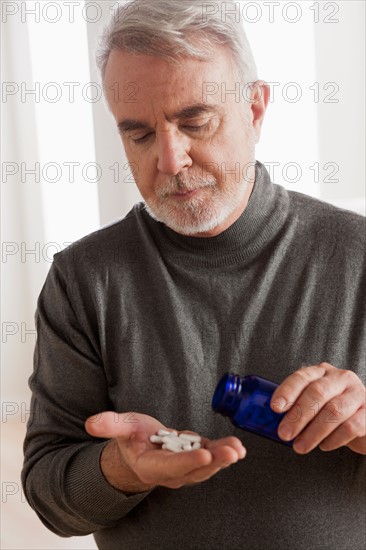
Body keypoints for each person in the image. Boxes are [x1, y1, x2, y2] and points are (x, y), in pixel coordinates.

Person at [22, 1, 366, 549]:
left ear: (255, 109)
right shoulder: (83, 280)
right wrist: (122, 469)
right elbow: (49, 497)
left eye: (196, 122)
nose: (170, 158)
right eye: (138, 135)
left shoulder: (357, 255)